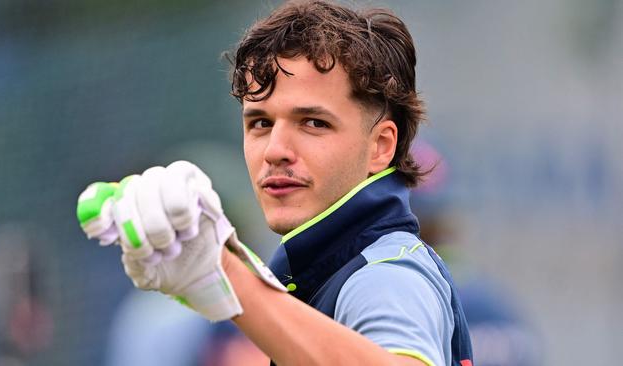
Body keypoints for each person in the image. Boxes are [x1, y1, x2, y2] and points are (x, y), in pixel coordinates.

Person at [76, 1, 473, 365]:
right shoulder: (321, 269)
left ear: (380, 147)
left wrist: (222, 274)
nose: (275, 150)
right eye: (260, 123)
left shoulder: (384, 274)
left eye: (314, 123)